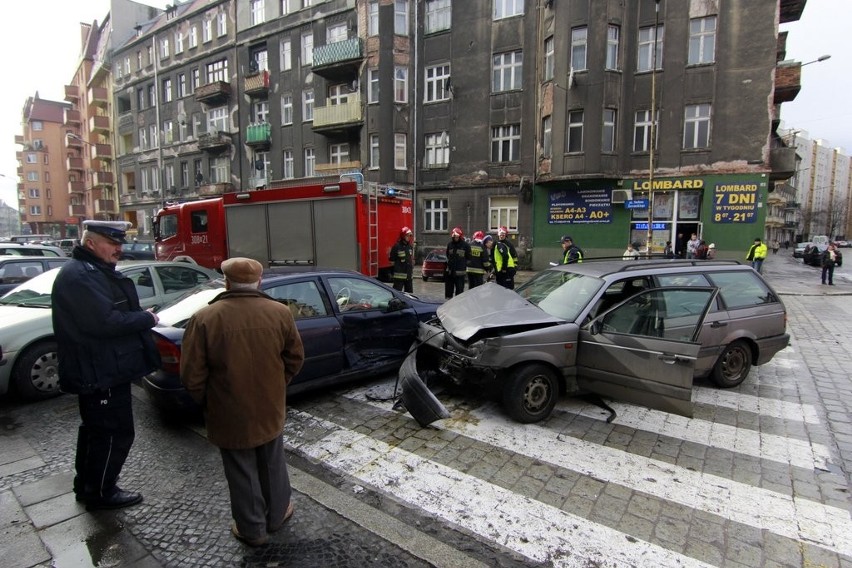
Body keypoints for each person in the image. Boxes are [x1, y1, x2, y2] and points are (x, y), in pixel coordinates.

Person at [180, 257, 305, 547]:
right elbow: (295, 358)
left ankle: (252, 529)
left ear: (226, 282)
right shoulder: (279, 313)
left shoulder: (205, 318)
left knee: (240, 467)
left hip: (229, 409)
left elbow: (191, 376)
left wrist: (211, 401)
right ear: (258, 282)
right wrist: (276, 386)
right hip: (269, 406)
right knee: (273, 461)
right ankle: (277, 515)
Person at [51, 220, 160, 511]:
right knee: (114, 433)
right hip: (101, 371)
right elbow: (104, 322)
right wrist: (147, 319)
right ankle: (101, 492)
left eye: (119, 243)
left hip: (100, 368)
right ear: (91, 243)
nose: (119, 249)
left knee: (96, 431)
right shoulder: (82, 276)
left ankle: (87, 485)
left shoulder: (87, 271)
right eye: (112, 243)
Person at [444, 227, 470, 298]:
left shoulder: (465, 245)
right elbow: (447, 255)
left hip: (460, 274)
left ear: (460, 236)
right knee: (449, 291)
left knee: (459, 291)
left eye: (457, 236)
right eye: (454, 236)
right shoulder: (450, 245)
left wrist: (463, 265)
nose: (456, 238)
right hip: (451, 272)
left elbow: (469, 257)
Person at [389, 226, 414, 292]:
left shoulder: (409, 246)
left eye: (410, 236)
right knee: (396, 294)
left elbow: (410, 259)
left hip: (408, 276)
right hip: (399, 277)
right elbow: (392, 261)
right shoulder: (397, 246)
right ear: (403, 236)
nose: (409, 237)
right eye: (407, 236)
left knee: (409, 295)